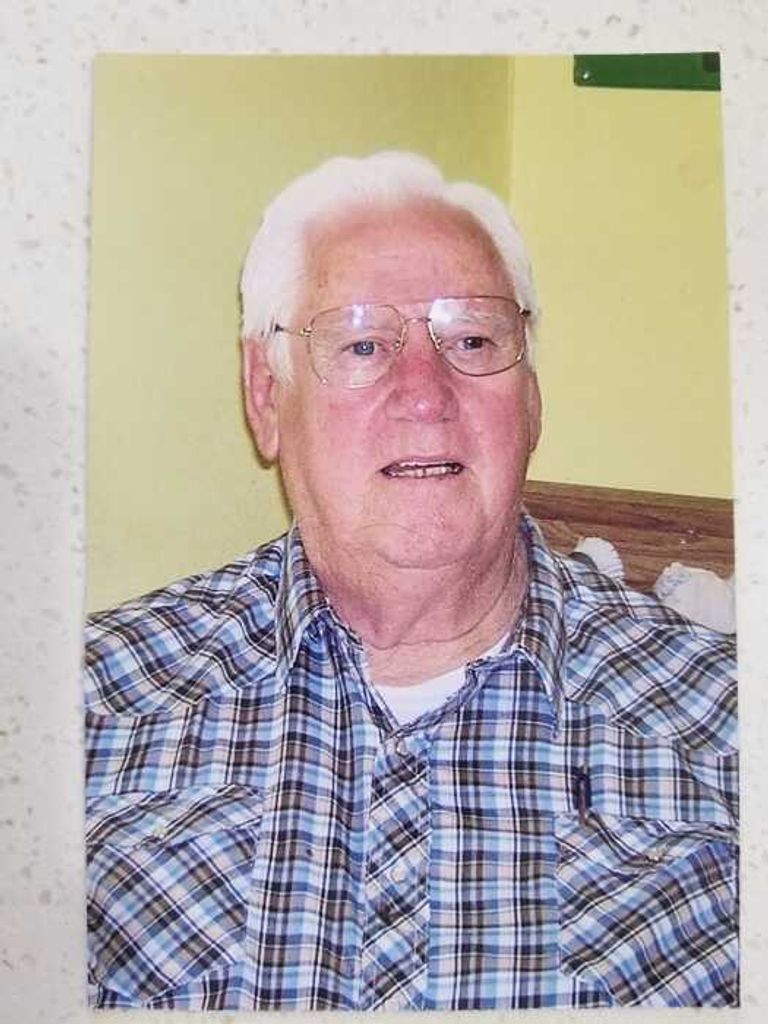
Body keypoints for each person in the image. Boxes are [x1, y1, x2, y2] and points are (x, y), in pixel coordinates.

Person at [84, 151, 738, 1011]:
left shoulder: (728, 724)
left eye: (472, 341)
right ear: (265, 397)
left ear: (531, 398)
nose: (427, 393)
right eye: (362, 343)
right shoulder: (85, 706)